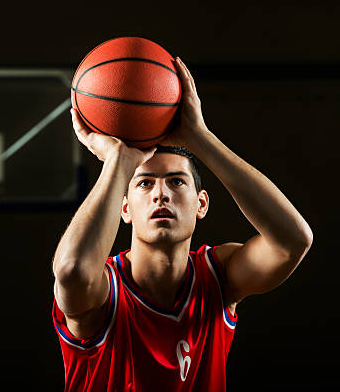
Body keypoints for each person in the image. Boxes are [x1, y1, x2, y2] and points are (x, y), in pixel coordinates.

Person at [52, 57, 313, 391]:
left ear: (201, 203)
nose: (161, 193)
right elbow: (71, 269)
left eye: (176, 182)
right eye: (145, 183)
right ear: (125, 209)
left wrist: (200, 138)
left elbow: (293, 241)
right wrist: (117, 161)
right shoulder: (104, 292)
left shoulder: (218, 278)